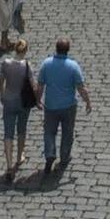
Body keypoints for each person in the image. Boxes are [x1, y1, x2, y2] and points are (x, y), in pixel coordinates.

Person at [37, 36, 92, 175]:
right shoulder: (73, 66)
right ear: (67, 50)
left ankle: (49, 153)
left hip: (51, 106)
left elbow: (40, 85)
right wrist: (88, 101)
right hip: (68, 106)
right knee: (67, 133)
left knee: (49, 132)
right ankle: (64, 157)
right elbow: (80, 87)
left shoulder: (46, 64)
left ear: (56, 49)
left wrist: (38, 100)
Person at [0, 35, 38, 178]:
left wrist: (2, 95)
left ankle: (8, 165)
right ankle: (20, 156)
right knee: (21, 129)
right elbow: (33, 85)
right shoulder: (27, 66)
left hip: (9, 100)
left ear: (15, 49)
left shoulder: (5, 63)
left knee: (8, 133)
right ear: (25, 51)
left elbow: (0, 82)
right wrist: (38, 100)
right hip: (23, 102)